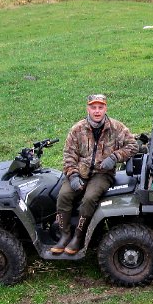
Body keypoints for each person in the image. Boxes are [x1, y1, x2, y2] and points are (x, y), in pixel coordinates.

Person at [51, 93, 138, 255]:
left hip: (102, 174)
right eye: (93, 107)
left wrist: (114, 157)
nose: (97, 111)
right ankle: (64, 235)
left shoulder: (116, 128)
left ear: (105, 108)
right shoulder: (77, 129)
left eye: (100, 107)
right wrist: (73, 175)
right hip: (80, 171)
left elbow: (133, 146)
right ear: (88, 109)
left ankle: (78, 236)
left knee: (89, 198)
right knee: (63, 195)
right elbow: (68, 155)